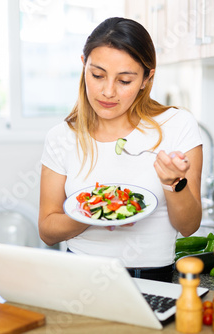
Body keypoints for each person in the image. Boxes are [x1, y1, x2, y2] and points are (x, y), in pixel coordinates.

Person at [38, 17, 203, 282]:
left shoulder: (177, 125)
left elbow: (188, 226)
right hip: (78, 275)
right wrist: (97, 212)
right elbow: (47, 230)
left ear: (146, 78)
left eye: (124, 80)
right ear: (84, 66)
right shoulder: (61, 137)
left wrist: (174, 182)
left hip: (151, 278)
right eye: (97, 75)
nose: (108, 92)